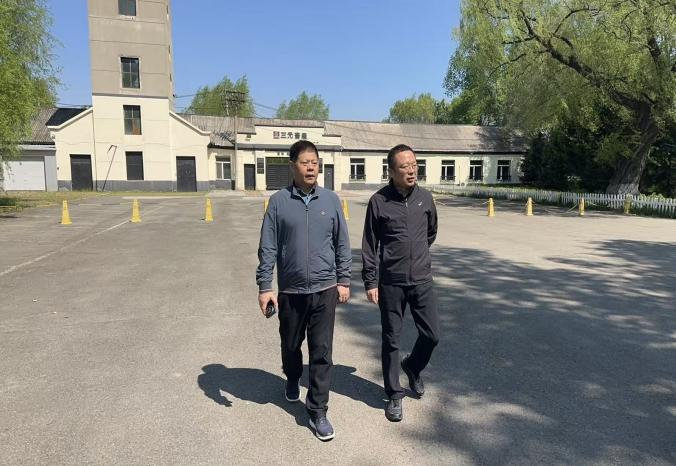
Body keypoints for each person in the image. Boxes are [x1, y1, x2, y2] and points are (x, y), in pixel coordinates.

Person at [256, 140, 352, 441]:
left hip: (325, 288)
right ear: (292, 166)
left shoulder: (331, 200)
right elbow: (268, 246)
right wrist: (265, 286)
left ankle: (318, 410)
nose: (311, 167)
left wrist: (344, 280)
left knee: (322, 351)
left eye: (315, 162)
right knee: (290, 345)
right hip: (291, 291)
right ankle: (293, 376)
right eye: (305, 162)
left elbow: (342, 242)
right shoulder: (278, 202)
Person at [361, 143, 439, 422]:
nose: (411, 170)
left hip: (421, 280)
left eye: (414, 165)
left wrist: (415, 254)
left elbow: (431, 233)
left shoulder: (425, 198)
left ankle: (413, 366)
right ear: (391, 171)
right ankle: (394, 394)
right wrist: (371, 281)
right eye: (405, 166)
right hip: (391, 282)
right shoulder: (378, 202)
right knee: (391, 339)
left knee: (432, 335)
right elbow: (370, 245)